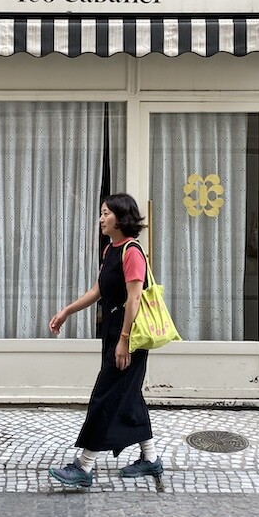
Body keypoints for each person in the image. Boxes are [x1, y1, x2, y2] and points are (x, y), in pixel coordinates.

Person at [47, 193, 163, 488]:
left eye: (106, 213)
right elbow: (97, 290)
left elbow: (134, 299)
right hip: (114, 330)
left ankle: (84, 466)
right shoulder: (111, 249)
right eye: (101, 213)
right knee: (129, 394)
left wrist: (124, 340)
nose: (101, 218)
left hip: (130, 334)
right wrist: (66, 311)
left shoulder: (132, 252)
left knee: (106, 395)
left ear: (121, 218)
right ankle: (150, 459)